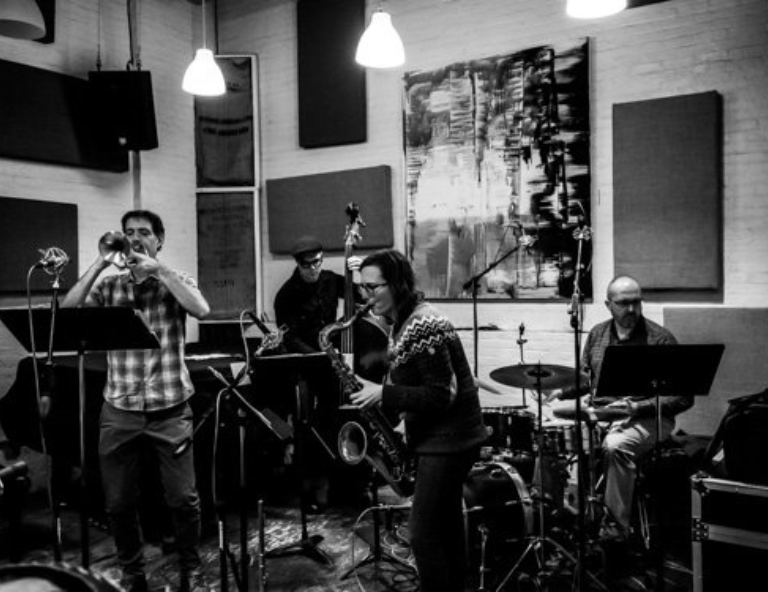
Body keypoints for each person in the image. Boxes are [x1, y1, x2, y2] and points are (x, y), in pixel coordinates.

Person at [61, 210, 211, 592]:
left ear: (159, 240)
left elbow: (201, 309)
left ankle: (191, 568)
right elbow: (68, 311)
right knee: (118, 503)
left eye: (144, 232)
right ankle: (133, 574)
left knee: (183, 499)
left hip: (170, 408)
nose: (135, 238)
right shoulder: (110, 286)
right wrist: (100, 262)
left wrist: (159, 271)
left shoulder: (176, 280)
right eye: (129, 233)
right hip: (120, 408)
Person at [350, 249, 487, 592]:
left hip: (449, 442)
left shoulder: (423, 324)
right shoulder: (403, 322)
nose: (365, 296)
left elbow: (440, 394)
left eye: (372, 287)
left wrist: (384, 394)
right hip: (445, 438)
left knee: (423, 535)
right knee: (447, 528)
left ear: (397, 283)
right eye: (362, 288)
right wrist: (402, 418)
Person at [552, 275, 693, 542]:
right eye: (624, 303)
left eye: (636, 302)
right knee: (548, 436)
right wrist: (560, 390)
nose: (631, 309)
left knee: (616, 446)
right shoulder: (597, 334)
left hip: (649, 418)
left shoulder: (660, 339)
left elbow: (683, 397)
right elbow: (586, 381)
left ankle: (614, 530)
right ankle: (556, 517)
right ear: (608, 305)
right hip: (600, 414)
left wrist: (636, 407)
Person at [273, 236, 371, 510]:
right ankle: (310, 492)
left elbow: (363, 298)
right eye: (307, 265)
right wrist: (318, 356)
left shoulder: (329, 279)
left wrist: (358, 273)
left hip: (333, 360)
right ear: (298, 264)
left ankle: (346, 486)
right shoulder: (286, 294)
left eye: (317, 262)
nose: (314, 269)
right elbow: (289, 337)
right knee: (309, 428)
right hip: (307, 366)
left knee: (338, 419)